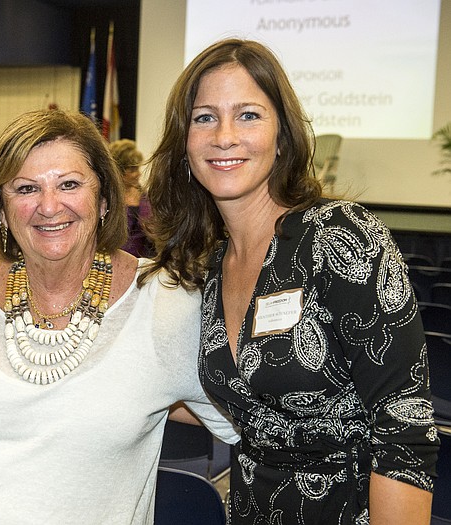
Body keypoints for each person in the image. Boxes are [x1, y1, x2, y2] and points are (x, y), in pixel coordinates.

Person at [143, 38, 438, 524]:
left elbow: (404, 428)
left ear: (282, 136)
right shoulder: (210, 266)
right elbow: (241, 405)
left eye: (248, 115)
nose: (224, 136)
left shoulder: (339, 237)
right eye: (205, 118)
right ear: (185, 143)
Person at [0, 108, 238, 524]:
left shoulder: (166, 300)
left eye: (69, 184)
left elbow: (255, 425)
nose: (49, 206)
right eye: (26, 188)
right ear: (0, 209)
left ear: (104, 200)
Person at [109, 139, 154, 257]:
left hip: (143, 261)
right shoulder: (108, 199)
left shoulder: (144, 196)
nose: (138, 174)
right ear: (119, 171)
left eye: (138, 168)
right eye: (133, 170)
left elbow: (153, 234)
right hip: (113, 260)